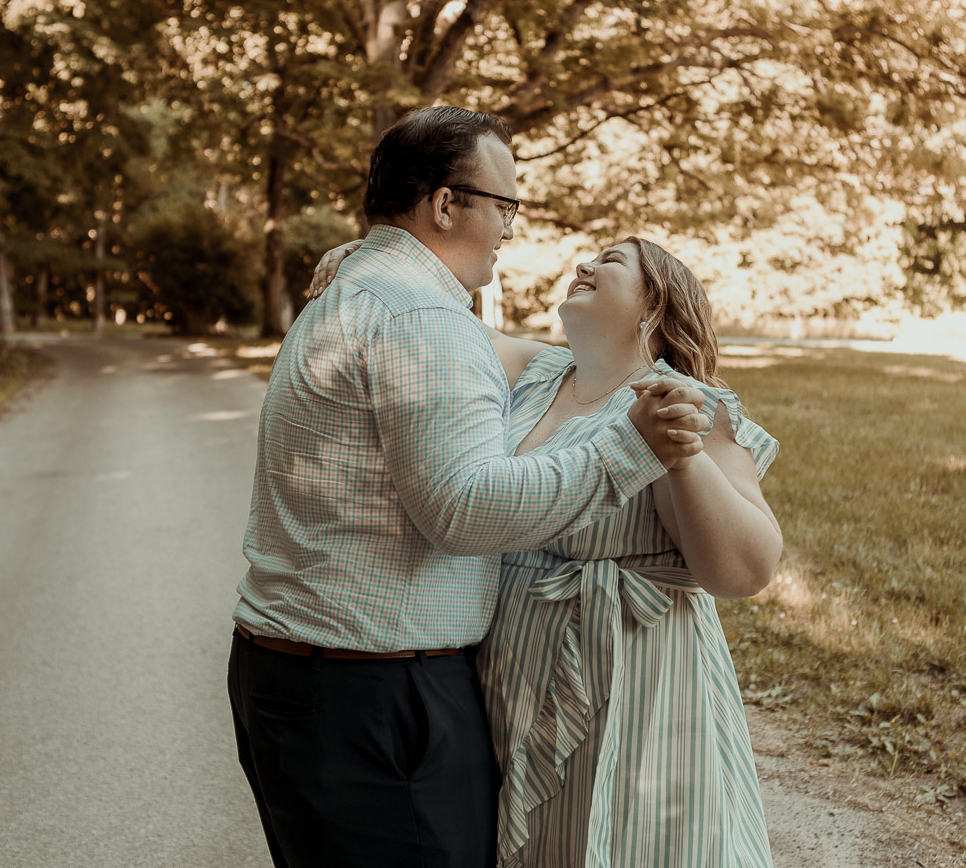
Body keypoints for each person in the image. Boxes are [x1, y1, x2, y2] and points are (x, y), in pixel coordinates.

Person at [228, 105, 709, 868]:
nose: (511, 230)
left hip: (303, 680)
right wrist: (626, 451)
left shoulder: (365, 289)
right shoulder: (422, 316)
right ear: (447, 204)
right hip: (373, 698)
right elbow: (466, 510)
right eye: (505, 205)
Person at [311, 235, 784, 866]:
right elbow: (438, 323)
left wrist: (685, 459)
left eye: (612, 262)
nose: (584, 265)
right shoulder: (538, 374)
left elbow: (746, 569)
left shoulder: (685, 403)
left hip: (632, 682)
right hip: (514, 670)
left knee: (622, 840)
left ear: (654, 305)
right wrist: (376, 258)